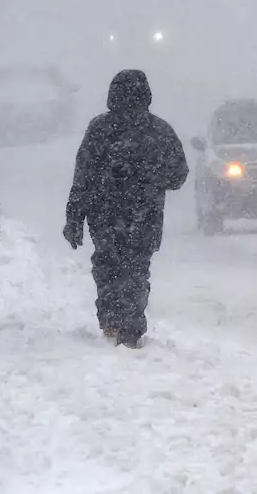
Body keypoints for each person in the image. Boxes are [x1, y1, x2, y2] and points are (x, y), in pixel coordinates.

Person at [63, 69, 188, 349]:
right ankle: (130, 327)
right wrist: (151, 179)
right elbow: (179, 176)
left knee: (108, 266)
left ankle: (111, 321)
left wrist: (74, 217)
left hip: (103, 215)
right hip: (145, 217)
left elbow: (82, 176)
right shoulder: (160, 131)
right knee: (136, 270)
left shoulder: (100, 129)